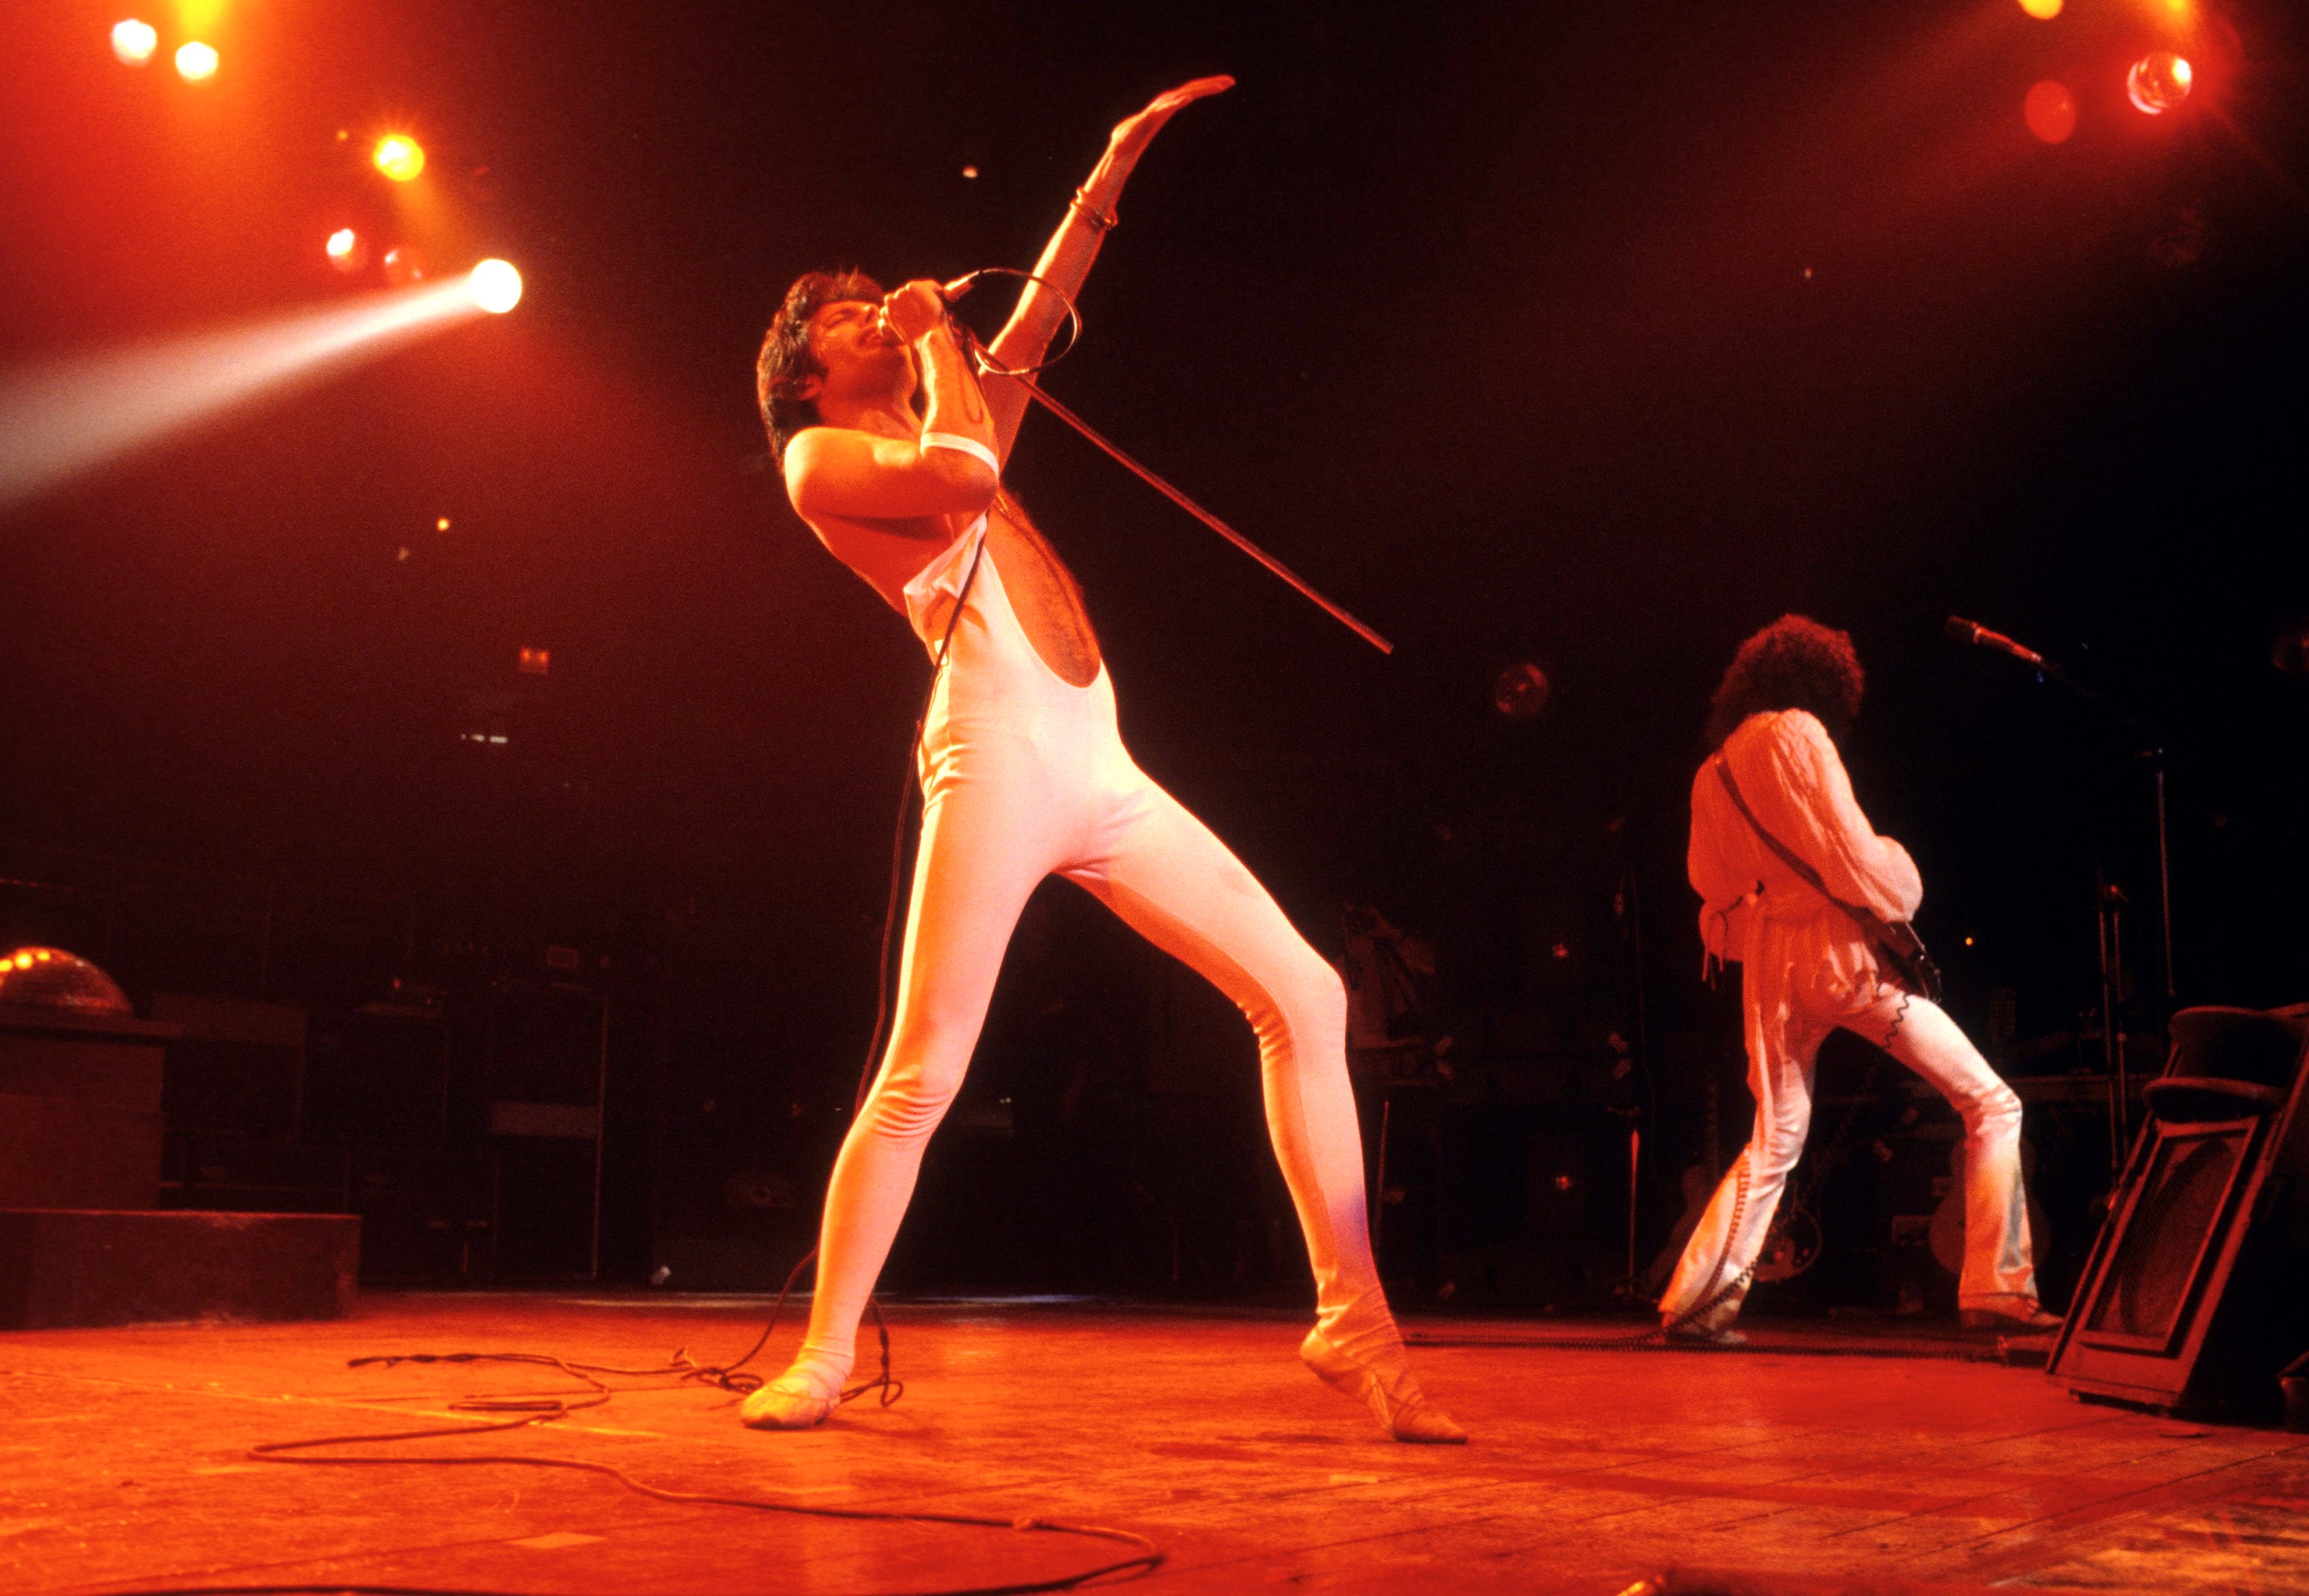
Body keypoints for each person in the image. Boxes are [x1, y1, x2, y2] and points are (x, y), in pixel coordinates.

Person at [744, 78, 1462, 1443]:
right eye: (846, 319)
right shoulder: (826, 454)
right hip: (995, 755)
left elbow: (1035, 320)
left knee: (1306, 991)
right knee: (925, 1070)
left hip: (1098, 754)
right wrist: (937, 341)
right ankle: (824, 1352)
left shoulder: (958, 405)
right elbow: (959, 474)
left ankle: (1353, 1317)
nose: (875, 315)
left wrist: (1113, 163)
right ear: (806, 369)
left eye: (874, 302)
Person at [1659, 614, 2057, 1342]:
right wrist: (1900, 874)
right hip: (1841, 959)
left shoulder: (1713, 767)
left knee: (1775, 1136)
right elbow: (1849, 851)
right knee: (1992, 1103)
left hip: (1772, 966)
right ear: (1824, 681)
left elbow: (1710, 883)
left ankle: (1697, 1300)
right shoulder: (1799, 733)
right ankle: (1998, 1288)